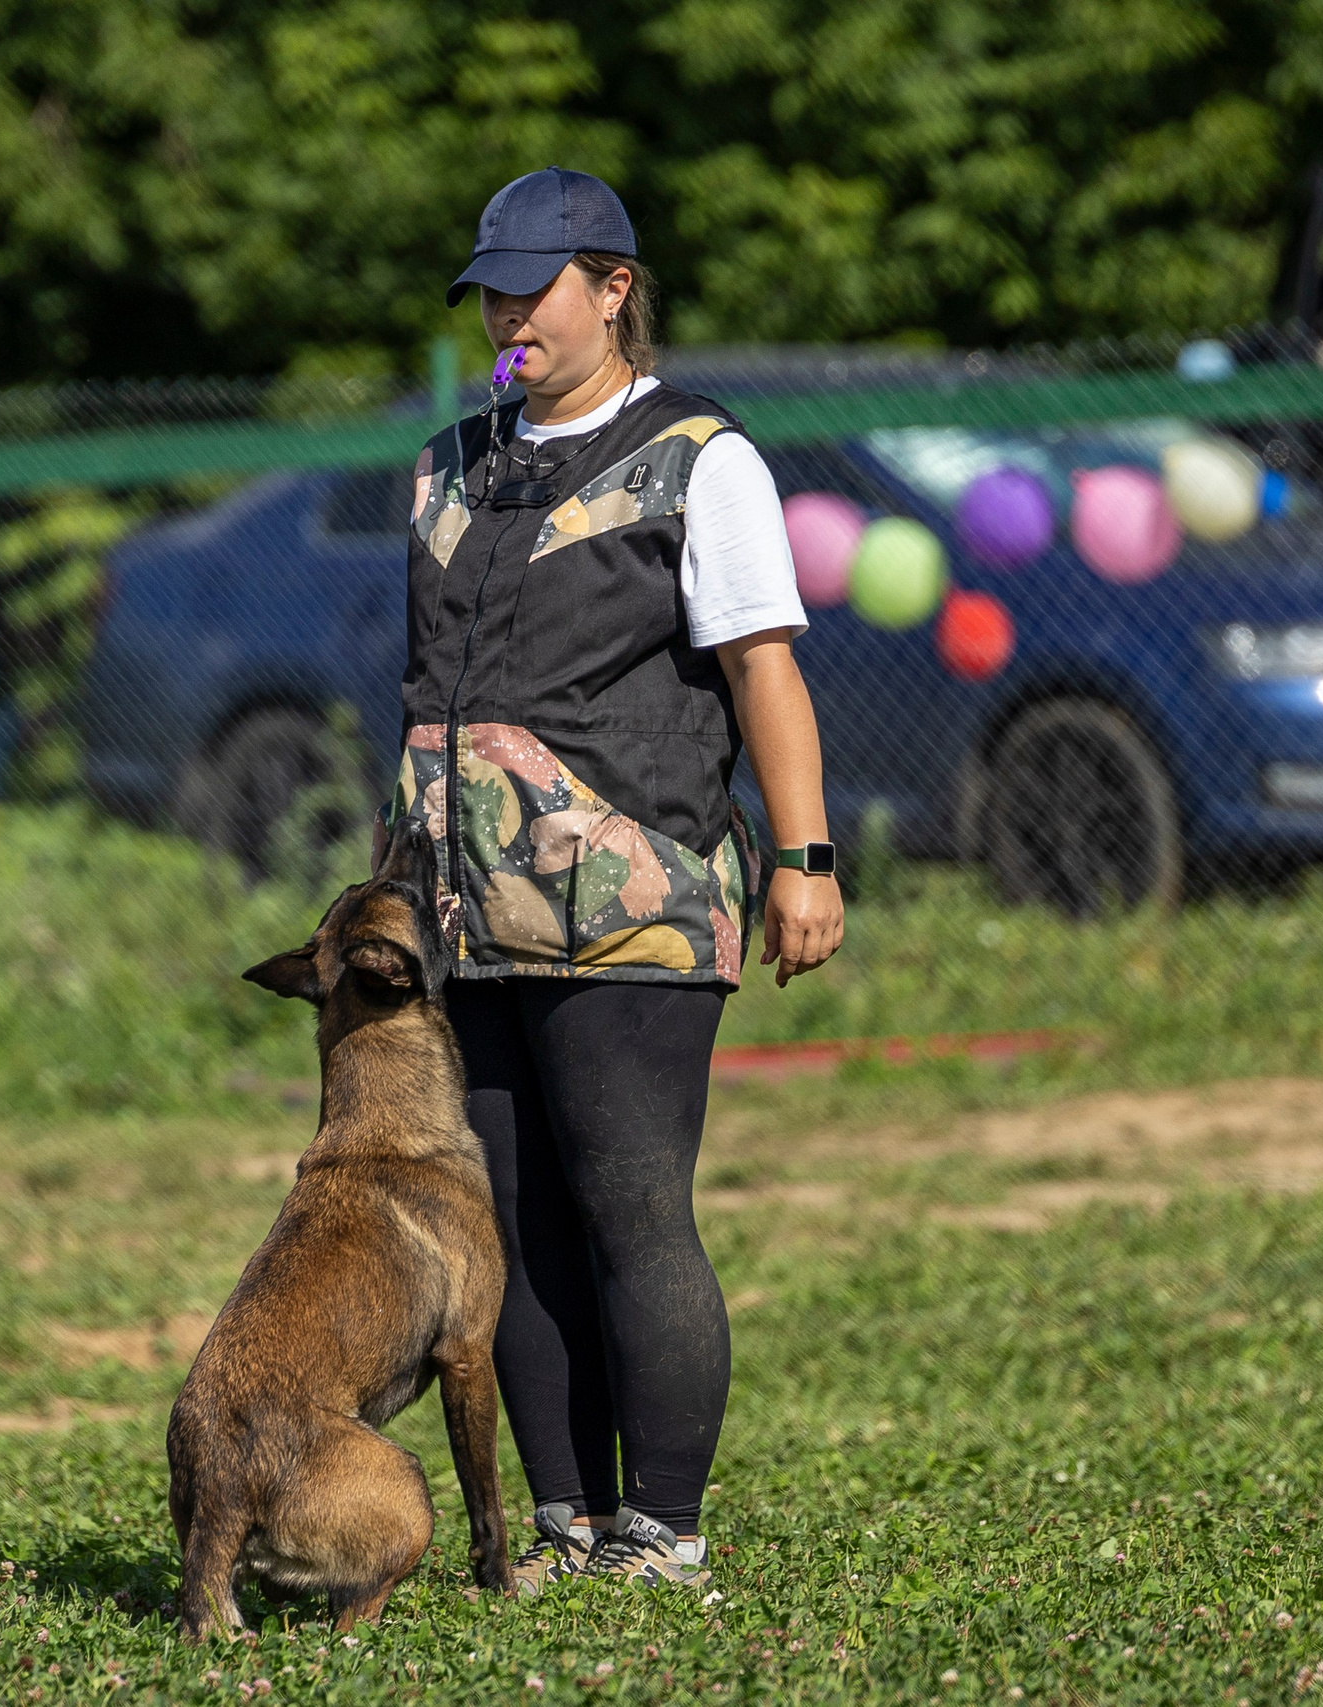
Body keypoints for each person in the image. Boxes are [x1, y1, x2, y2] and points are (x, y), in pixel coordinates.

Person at [383, 166, 843, 1594]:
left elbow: (764, 667)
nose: (509, 317)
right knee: (510, 1225)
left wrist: (805, 857)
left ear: (614, 290)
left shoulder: (702, 460)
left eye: (534, 289)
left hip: (634, 907)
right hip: (472, 914)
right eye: (493, 294)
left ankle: (669, 1531)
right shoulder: (452, 461)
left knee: (631, 1204)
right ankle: (570, 1519)